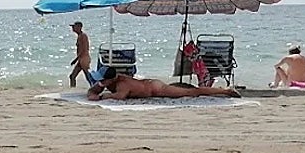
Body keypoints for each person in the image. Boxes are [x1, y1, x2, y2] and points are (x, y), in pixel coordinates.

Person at [87, 67, 240, 101]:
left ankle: (225, 91)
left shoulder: (122, 84)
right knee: (189, 90)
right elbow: (92, 91)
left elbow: (120, 96)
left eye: (103, 80)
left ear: (111, 79)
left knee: (192, 92)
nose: (100, 82)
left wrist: (101, 96)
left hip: (155, 88)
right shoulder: (110, 80)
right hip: (149, 84)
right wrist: (97, 88)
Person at [69, 21, 91, 88]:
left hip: (84, 59)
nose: (72, 28)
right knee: (72, 76)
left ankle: (95, 87)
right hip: (81, 59)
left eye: (74, 26)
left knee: (88, 76)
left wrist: (75, 59)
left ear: (79, 27)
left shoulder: (83, 36)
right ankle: (72, 90)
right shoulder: (80, 36)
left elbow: (83, 49)